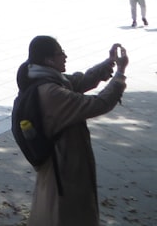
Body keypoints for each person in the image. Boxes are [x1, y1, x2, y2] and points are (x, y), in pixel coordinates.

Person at [17, 36, 127, 226]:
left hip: (60, 162)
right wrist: (119, 74)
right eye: (61, 53)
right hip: (63, 167)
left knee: (53, 210)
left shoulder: (45, 77)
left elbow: (80, 81)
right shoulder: (51, 92)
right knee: (65, 214)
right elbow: (99, 104)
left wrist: (109, 63)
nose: (65, 56)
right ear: (49, 60)